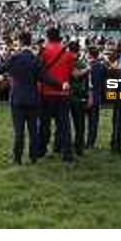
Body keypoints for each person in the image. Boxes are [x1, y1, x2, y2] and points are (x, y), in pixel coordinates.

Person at [0, 31, 43, 165]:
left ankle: (17, 158)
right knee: (33, 130)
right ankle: (33, 157)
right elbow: (44, 78)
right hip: (33, 98)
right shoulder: (36, 59)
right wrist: (61, 84)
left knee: (19, 131)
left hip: (17, 98)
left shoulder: (14, 58)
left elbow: (0, 70)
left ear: (20, 41)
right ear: (30, 42)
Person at [38, 27, 75, 162]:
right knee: (64, 125)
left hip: (47, 92)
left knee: (44, 124)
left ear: (48, 37)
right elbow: (71, 73)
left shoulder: (44, 51)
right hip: (63, 92)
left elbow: (40, 71)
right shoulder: (68, 53)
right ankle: (67, 153)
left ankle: (41, 150)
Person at [68, 41, 89, 156]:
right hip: (76, 95)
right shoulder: (80, 63)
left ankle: (62, 145)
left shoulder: (65, 60)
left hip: (66, 95)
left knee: (65, 123)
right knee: (79, 124)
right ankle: (78, 147)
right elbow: (76, 75)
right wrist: (87, 69)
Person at [86, 45, 106, 149]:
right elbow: (104, 84)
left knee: (81, 121)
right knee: (93, 121)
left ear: (89, 54)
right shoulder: (101, 66)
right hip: (97, 96)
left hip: (86, 96)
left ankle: (82, 141)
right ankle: (91, 142)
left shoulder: (87, 66)